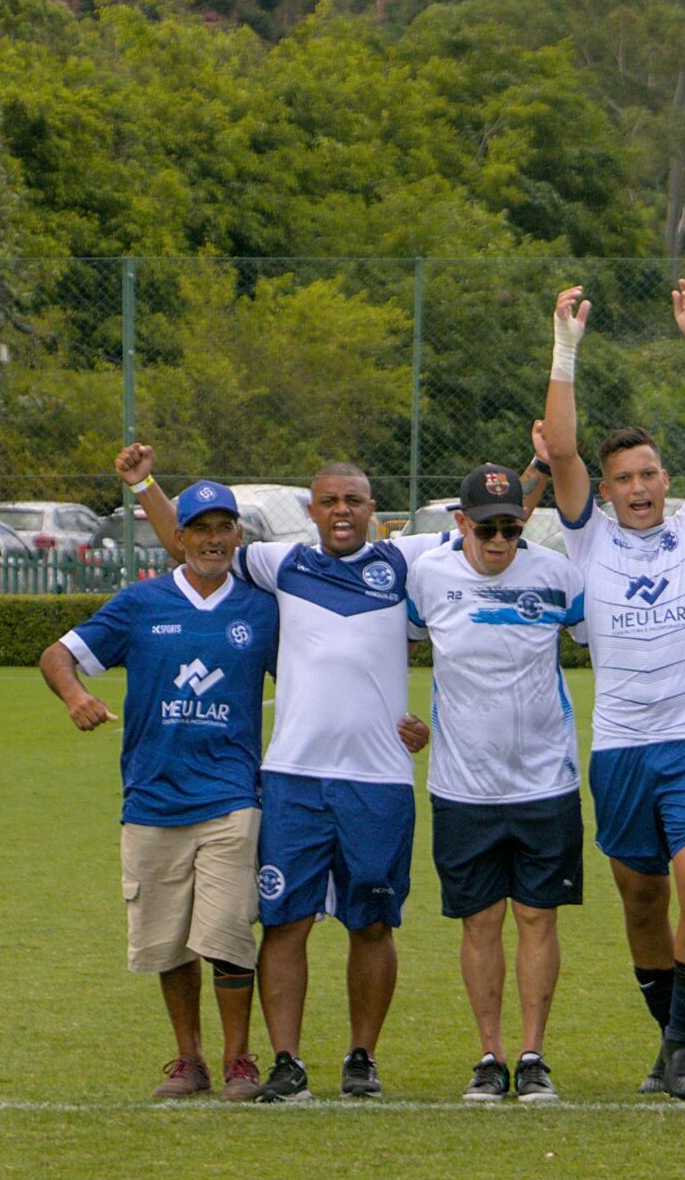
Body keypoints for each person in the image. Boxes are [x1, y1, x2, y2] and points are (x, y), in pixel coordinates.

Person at [126, 450, 447, 1103]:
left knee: (374, 925)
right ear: (311, 510)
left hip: (378, 779)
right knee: (286, 922)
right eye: (328, 501)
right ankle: (286, 1063)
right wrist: (144, 485)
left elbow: (489, 527)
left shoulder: (403, 560)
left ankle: (362, 1057)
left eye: (353, 501)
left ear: (372, 510)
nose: (341, 512)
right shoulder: (282, 563)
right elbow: (187, 543)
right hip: (293, 776)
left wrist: (537, 465)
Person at [538, 281, 685, 1101]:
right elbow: (559, 450)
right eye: (623, 476)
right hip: (622, 745)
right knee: (639, 898)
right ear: (608, 485)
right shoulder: (587, 535)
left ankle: (683, 1042)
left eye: (649, 473)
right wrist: (564, 348)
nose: (637, 487)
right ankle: (668, 1038)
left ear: (667, 478)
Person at [40, 478, 277, 1100]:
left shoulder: (260, 608)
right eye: (200, 529)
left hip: (231, 797)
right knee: (169, 939)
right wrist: (76, 697)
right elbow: (56, 656)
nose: (213, 540)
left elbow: (321, 671)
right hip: (151, 798)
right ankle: (188, 1060)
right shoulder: (139, 604)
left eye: (224, 528)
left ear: (238, 537)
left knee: (227, 932)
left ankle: (239, 1061)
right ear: (179, 538)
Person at [403, 463, 588, 1103]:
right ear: (462, 524)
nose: (500, 541)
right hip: (462, 787)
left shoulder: (558, 575)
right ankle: (490, 1054)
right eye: (487, 528)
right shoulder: (427, 576)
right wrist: (396, 716)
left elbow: (607, 641)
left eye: (512, 527)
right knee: (479, 921)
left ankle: (533, 1054)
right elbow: (387, 646)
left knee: (538, 917)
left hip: (546, 782)